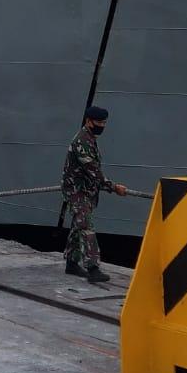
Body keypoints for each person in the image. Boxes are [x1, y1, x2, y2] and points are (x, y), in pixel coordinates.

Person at [61, 105, 129, 283]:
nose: (102, 126)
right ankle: (92, 267)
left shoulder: (90, 138)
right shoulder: (82, 141)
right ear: (88, 121)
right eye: (98, 122)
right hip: (77, 191)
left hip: (86, 190)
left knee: (78, 226)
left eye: (104, 123)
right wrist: (113, 187)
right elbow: (93, 170)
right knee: (86, 226)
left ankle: (71, 263)